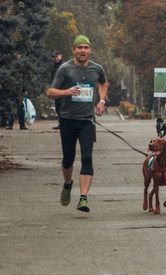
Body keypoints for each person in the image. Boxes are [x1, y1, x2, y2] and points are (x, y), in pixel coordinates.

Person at [47, 35, 108, 213]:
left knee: (87, 158)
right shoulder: (65, 69)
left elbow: (103, 83)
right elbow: (50, 92)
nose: (83, 51)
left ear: (90, 50)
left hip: (87, 120)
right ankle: (67, 184)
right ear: (73, 50)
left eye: (86, 47)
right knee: (68, 159)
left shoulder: (97, 68)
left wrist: (102, 101)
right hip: (67, 120)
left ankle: (83, 198)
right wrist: (66, 91)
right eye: (79, 47)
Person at [51, 51, 64, 130]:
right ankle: (61, 123)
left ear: (60, 56)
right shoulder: (54, 66)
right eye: (54, 57)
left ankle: (64, 123)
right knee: (58, 107)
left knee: (63, 106)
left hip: (63, 89)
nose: (55, 58)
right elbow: (52, 77)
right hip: (56, 89)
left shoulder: (64, 65)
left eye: (57, 56)